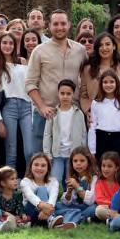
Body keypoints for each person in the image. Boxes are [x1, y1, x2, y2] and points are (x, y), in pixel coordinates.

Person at [25, 10, 87, 159]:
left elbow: (86, 81)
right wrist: (42, 107)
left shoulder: (80, 50)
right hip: (47, 113)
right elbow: (30, 83)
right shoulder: (39, 51)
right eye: (56, 24)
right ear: (49, 26)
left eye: (63, 23)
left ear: (69, 25)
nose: (60, 27)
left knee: (74, 159)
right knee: (40, 157)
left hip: (73, 113)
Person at [0, 32, 32, 170]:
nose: (7, 46)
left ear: (15, 45)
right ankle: (11, 179)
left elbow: (30, 86)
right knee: (11, 149)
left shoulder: (22, 62)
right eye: (4, 43)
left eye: (11, 43)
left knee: (29, 149)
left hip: (26, 106)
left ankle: (29, 177)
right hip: (9, 107)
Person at [80, 33, 120, 114]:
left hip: (119, 114)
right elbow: (83, 95)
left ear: (114, 46)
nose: (104, 48)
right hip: (96, 115)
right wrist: (88, 111)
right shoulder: (87, 69)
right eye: (101, 45)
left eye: (107, 44)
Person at [87, 71, 120, 161]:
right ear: (101, 84)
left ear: (117, 83)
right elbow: (92, 127)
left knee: (117, 166)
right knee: (102, 166)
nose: (108, 85)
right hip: (101, 139)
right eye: (105, 82)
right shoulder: (96, 103)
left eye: (111, 82)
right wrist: (92, 149)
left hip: (118, 140)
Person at [49, 148, 97, 229]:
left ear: (88, 162)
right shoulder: (73, 177)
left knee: (94, 208)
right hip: (73, 207)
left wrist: (77, 186)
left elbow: (91, 201)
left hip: (86, 207)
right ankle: (72, 219)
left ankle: (67, 221)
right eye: (75, 161)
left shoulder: (94, 178)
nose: (78, 163)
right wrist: (69, 192)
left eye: (82, 161)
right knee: (56, 205)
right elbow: (66, 202)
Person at [20, 153, 60, 227]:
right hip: (31, 212)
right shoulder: (25, 182)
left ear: (48, 168)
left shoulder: (54, 181)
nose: (39, 168)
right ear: (31, 167)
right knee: (42, 189)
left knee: (66, 208)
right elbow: (31, 197)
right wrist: (44, 207)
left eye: (43, 165)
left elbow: (53, 198)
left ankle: (59, 223)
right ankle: (50, 220)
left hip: (47, 211)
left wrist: (45, 211)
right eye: (36, 165)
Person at [92, 152, 120, 220]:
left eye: (109, 166)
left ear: (116, 168)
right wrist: (114, 204)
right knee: (99, 210)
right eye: (103, 166)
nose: (105, 169)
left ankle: (115, 218)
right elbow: (99, 199)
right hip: (108, 208)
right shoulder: (99, 182)